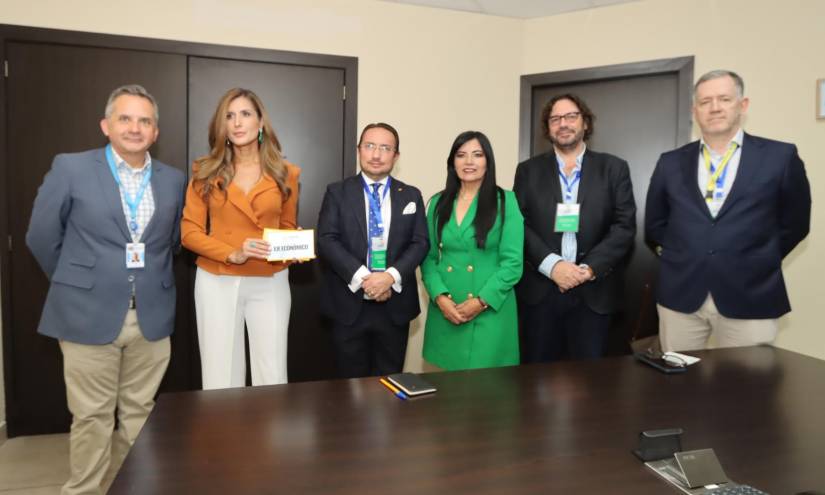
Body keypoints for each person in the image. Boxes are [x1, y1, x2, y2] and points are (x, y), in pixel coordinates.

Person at [26, 84, 185, 495]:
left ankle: (140, 487)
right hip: (85, 314)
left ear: (155, 132)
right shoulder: (71, 168)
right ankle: (84, 490)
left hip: (151, 316)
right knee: (92, 417)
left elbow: (171, 242)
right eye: (125, 118)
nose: (135, 128)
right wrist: (77, 282)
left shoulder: (173, 180)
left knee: (141, 413)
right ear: (106, 125)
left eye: (144, 121)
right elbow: (41, 235)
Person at [645, 70, 811, 352]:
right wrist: (684, 254)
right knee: (678, 377)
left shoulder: (780, 157)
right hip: (680, 294)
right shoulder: (670, 162)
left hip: (751, 292)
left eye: (724, 99)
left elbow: (795, 223)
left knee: (749, 378)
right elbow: (655, 224)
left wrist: (757, 257)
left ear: (742, 105)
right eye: (705, 101)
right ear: (695, 111)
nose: (715, 108)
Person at [181, 88, 300, 389]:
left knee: (272, 374)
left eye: (245, 114)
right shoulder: (204, 171)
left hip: (271, 279)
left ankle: (271, 424)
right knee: (220, 375)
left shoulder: (286, 173)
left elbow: (287, 227)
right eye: (229, 116)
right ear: (221, 125)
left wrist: (294, 246)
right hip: (217, 278)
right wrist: (232, 252)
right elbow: (189, 233)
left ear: (260, 122)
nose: (236, 123)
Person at [514, 93, 636, 363]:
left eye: (571, 116)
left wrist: (588, 269)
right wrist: (553, 266)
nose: (563, 124)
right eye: (555, 119)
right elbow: (518, 225)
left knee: (591, 380)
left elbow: (624, 226)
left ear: (585, 123)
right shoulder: (528, 171)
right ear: (548, 128)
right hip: (541, 293)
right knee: (537, 378)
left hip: (594, 292)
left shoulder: (614, 168)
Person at [317, 123, 429, 378]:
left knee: (390, 383)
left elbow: (420, 242)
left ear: (396, 156)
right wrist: (366, 280)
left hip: (395, 306)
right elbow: (327, 239)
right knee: (349, 385)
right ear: (359, 150)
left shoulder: (411, 195)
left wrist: (389, 277)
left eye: (385, 148)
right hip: (348, 304)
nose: (376, 154)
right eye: (369, 146)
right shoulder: (337, 192)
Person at [421, 131, 524, 370]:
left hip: (490, 309)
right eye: (461, 155)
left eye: (477, 155)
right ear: (452, 162)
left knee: (489, 389)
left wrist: (480, 302)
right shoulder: (438, 203)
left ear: (488, 161)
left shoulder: (506, 201)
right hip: (447, 310)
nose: (469, 162)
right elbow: (428, 258)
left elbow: (512, 263)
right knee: (447, 389)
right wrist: (440, 297)